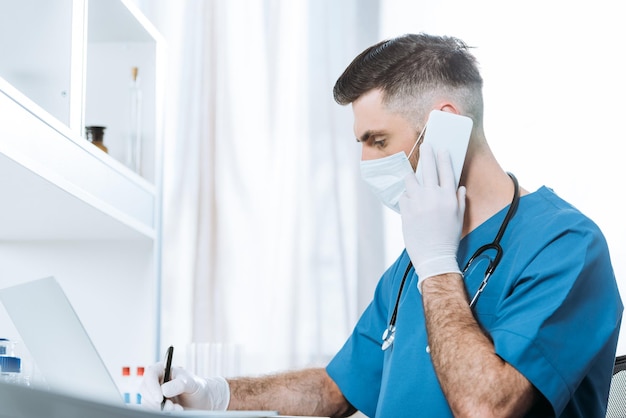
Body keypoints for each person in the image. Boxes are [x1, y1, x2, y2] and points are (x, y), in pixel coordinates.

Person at [140, 33, 623, 417]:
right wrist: (215, 393)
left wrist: (437, 266)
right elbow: (336, 389)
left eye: (377, 139)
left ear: (444, 126)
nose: (365, 160)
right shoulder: (415, 259)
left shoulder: (565, 245)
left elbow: (486, 408)